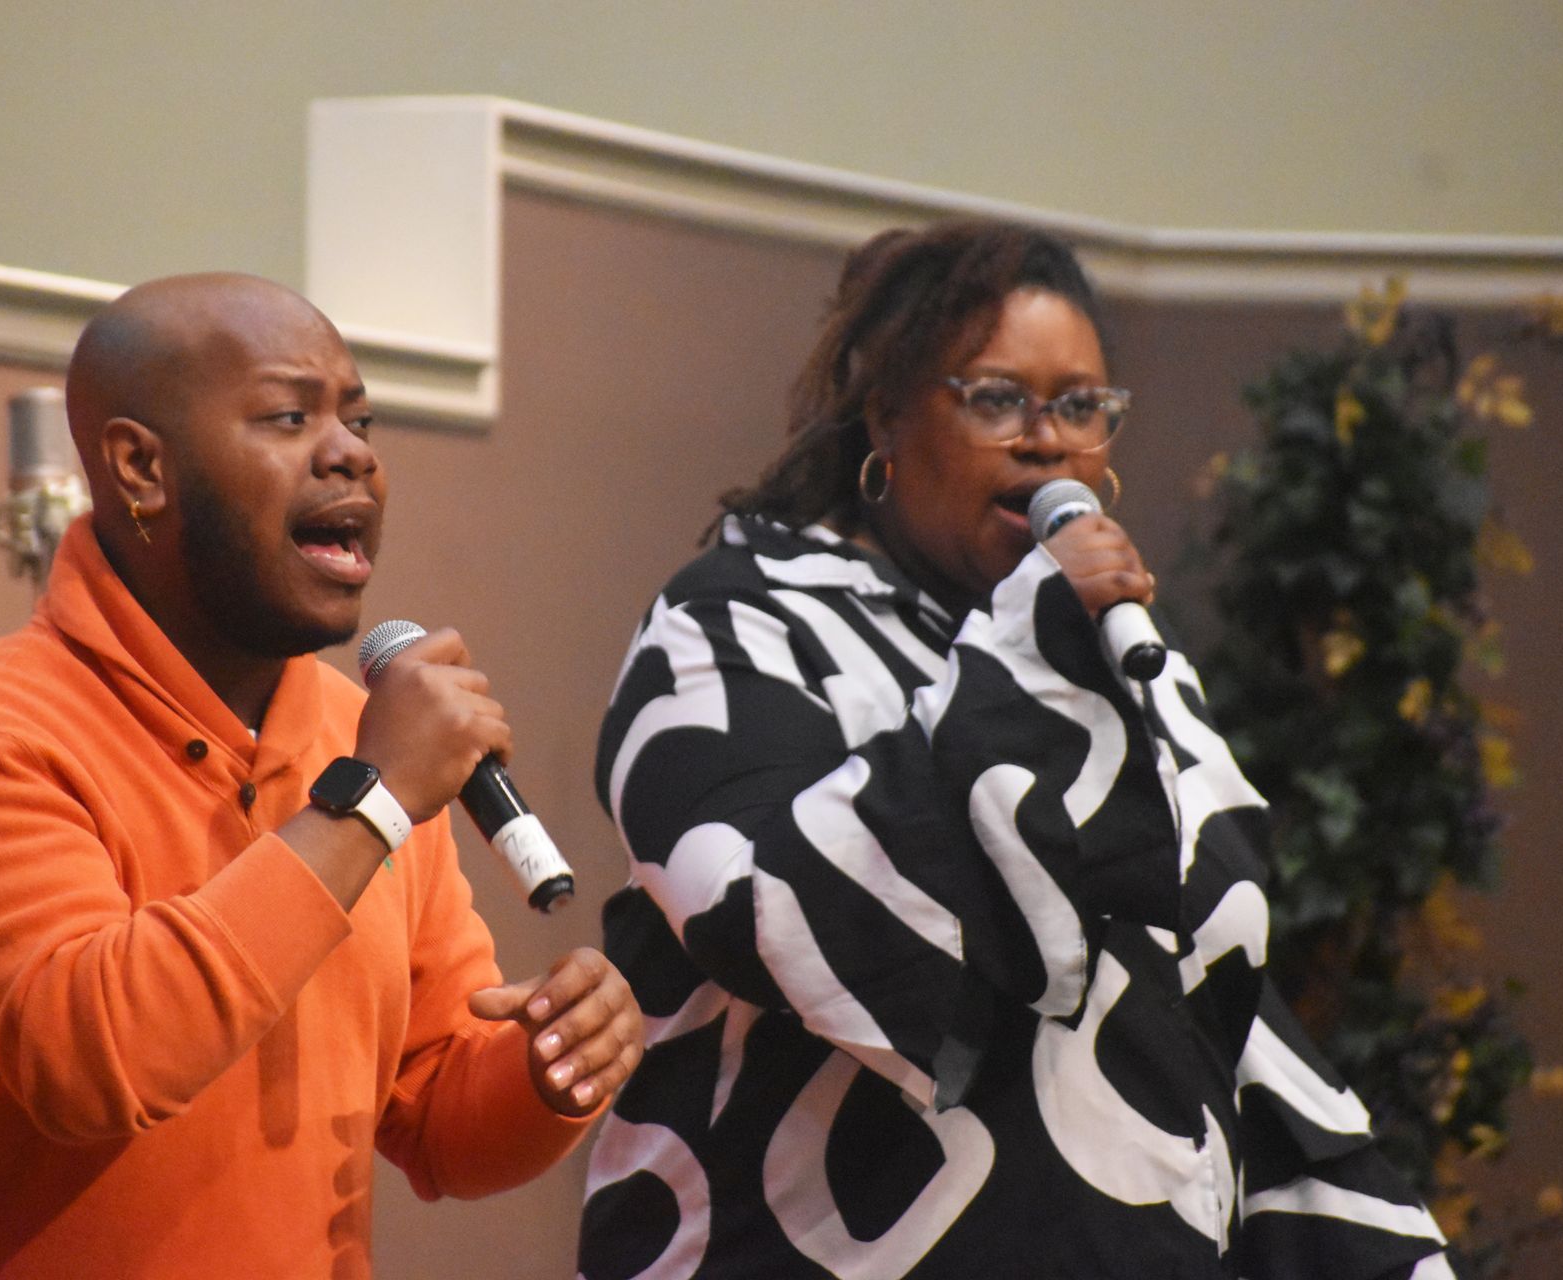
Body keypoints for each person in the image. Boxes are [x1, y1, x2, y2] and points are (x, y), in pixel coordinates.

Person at [577, 223, 1454, 1278]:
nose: (1047, 442)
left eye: (1080, 407)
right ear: (886, 414)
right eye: (997, 399)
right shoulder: (735, 625)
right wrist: (1032, 660)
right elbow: (767, 918)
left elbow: (1206, 1019)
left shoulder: (1110, 660)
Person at [0, 273, 643, 1279]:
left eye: (359, 421)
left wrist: (555, 1067)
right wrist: (374, 801)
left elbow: (439, 1116)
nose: (351, 453)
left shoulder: (363, 741)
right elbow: (98, 1060)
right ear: (141, 467)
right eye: (290, 418)